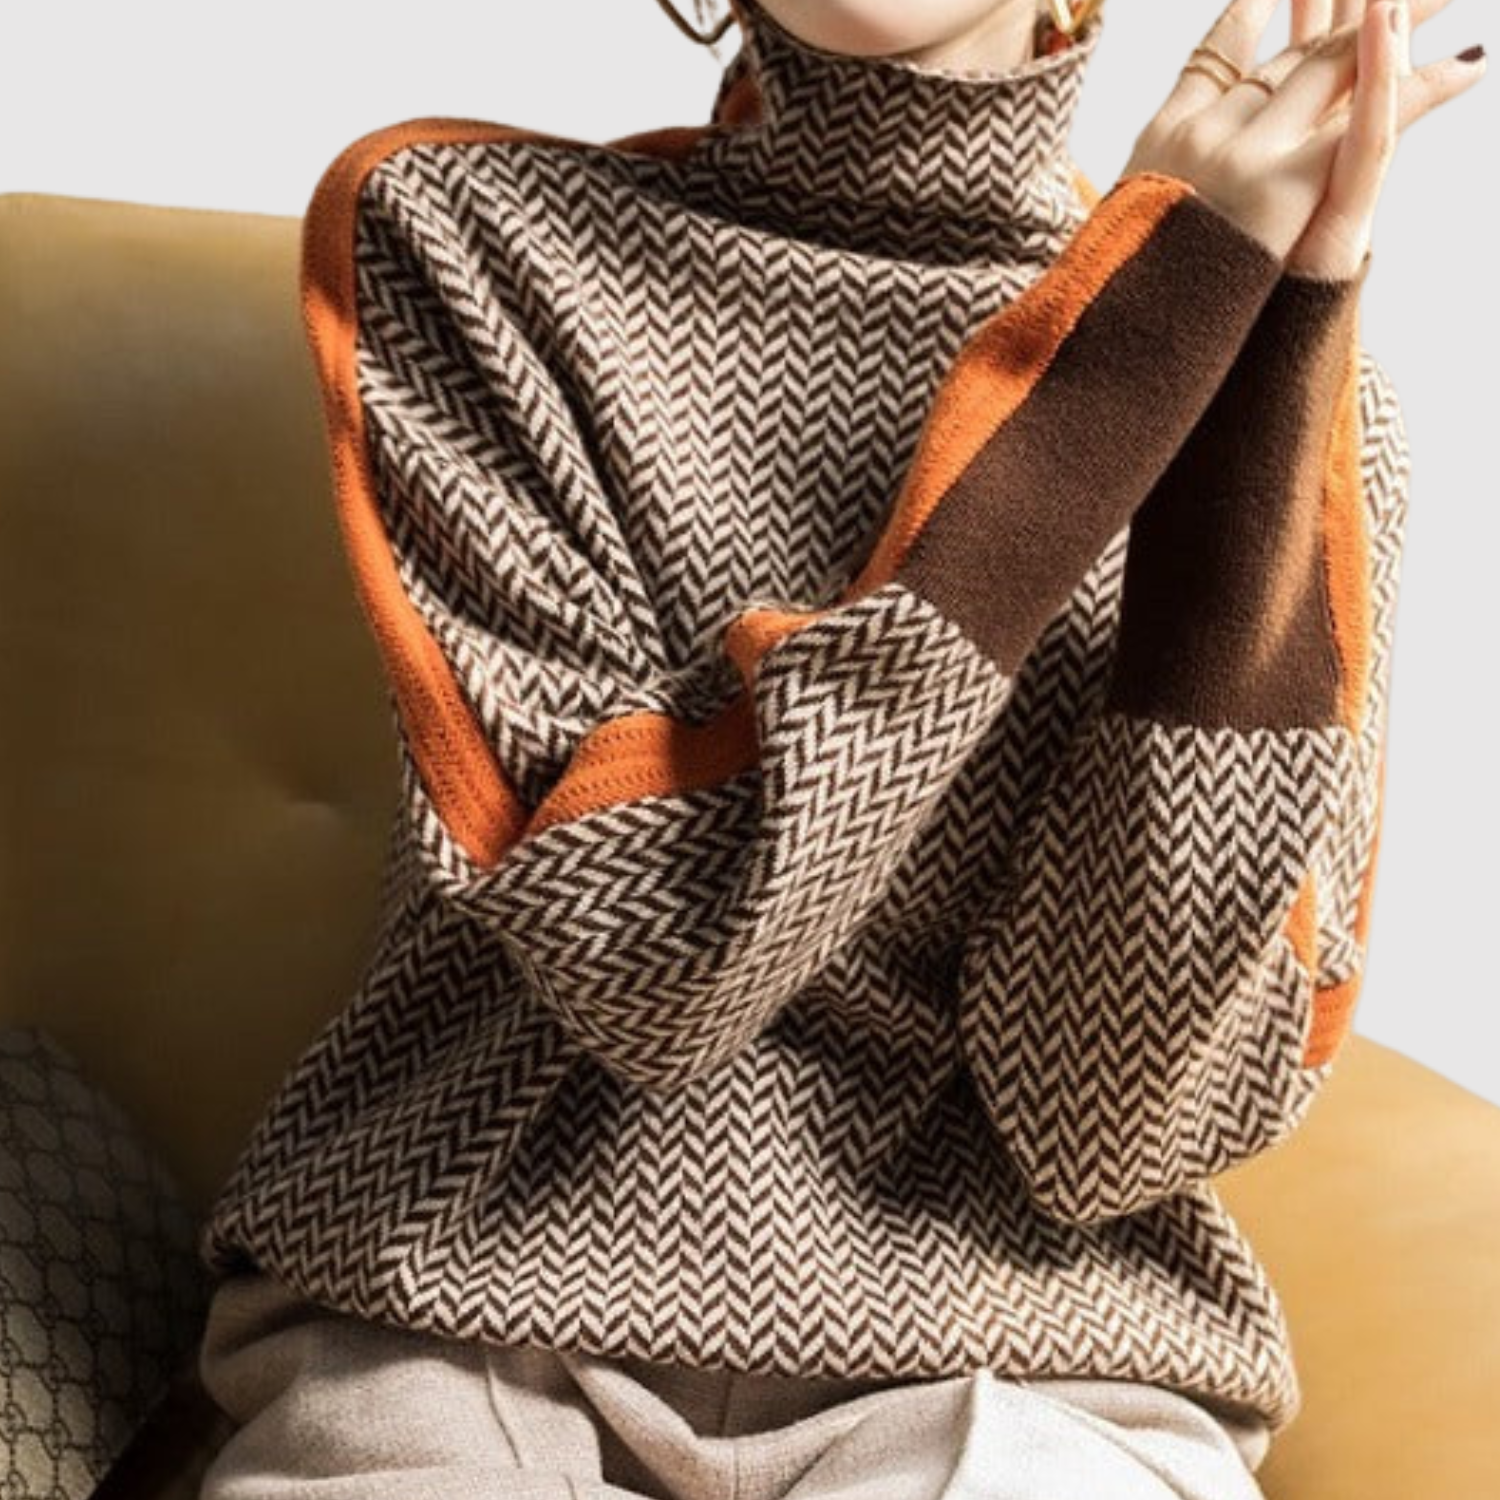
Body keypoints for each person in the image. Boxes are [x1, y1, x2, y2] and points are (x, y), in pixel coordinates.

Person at [192, 0, 1484, 1496]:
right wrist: (1125, 353)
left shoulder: (1314, 406)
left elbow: (1107, 1132)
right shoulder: (463, 238)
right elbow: (658, 969)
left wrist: (1246, 363)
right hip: (460, 1324)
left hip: (1032, 1366)